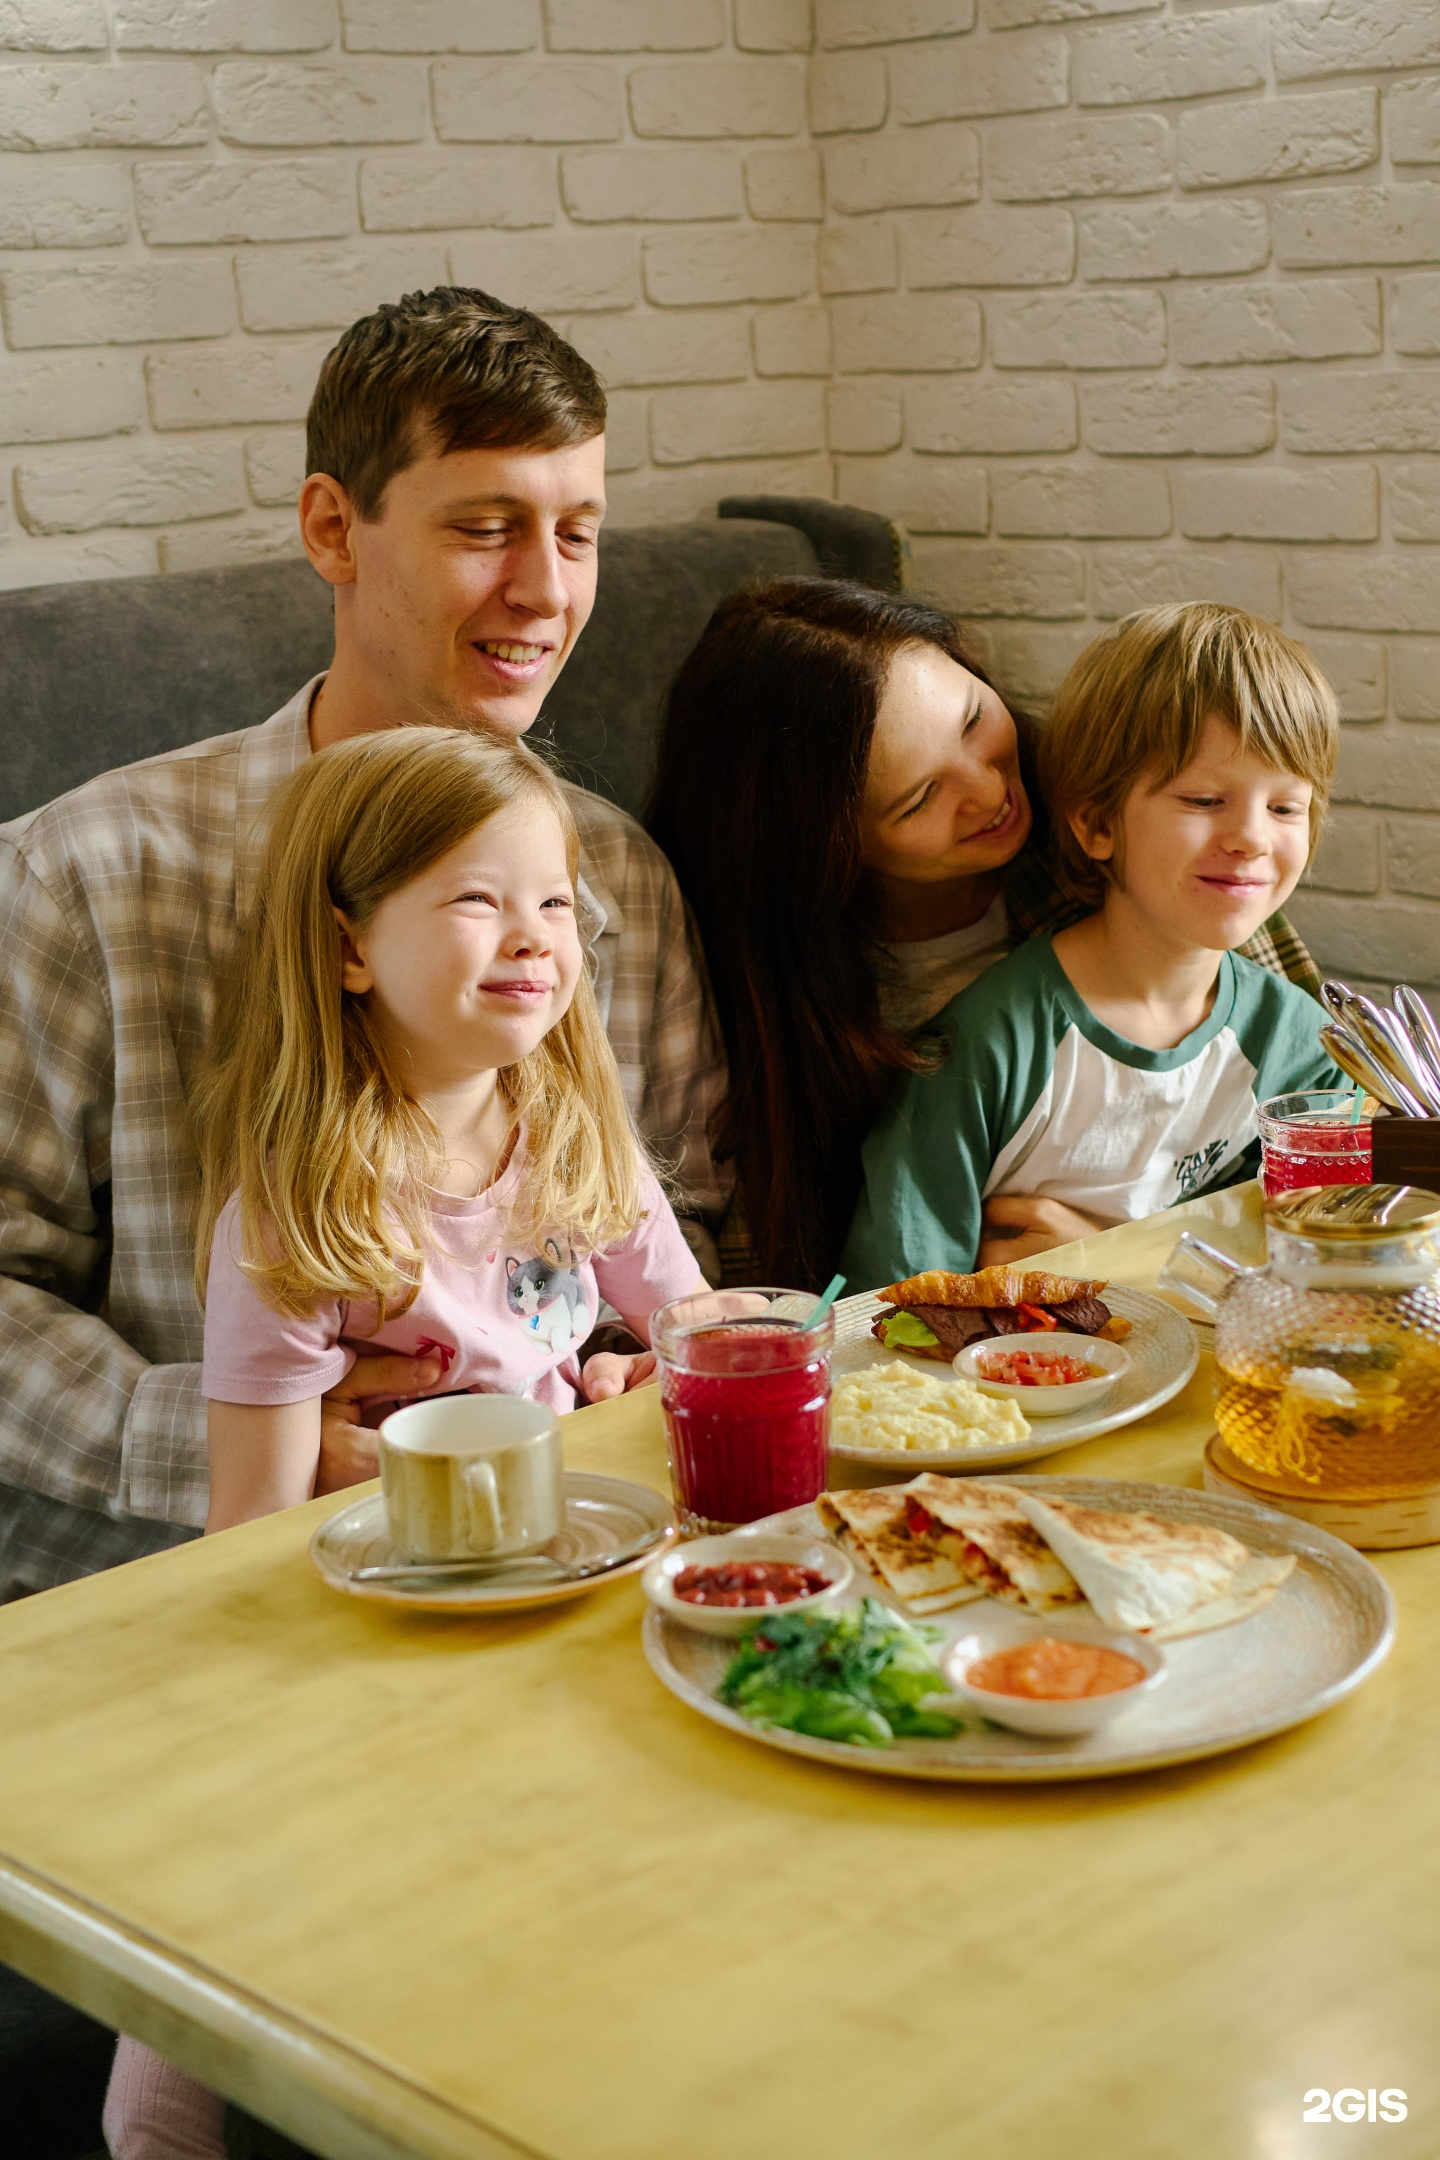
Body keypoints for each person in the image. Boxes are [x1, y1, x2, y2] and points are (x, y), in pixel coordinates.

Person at [0, 286, 725, 1603]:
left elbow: (684, 1229)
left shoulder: (615, 875)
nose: (546, 591)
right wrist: (243, 1431)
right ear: (333, 528)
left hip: (546, 1550)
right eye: (486, 529)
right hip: (169, 1582)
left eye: (577, 533)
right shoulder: (85, 874)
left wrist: (622, 1367)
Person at [104, 725, 704, 2160]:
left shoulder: (575, 1133)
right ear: (350, 948)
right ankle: (158, 2116)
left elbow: (690, 1331)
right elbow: (248, 1534)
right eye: (477, 899)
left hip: (566, 1572)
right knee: (234, 1830)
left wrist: (639, 1378)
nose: (535, 936)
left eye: (553, 901)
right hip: (389, 1602)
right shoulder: (300, 1208)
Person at [648, 579, 1321, 1292]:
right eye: (920, 798)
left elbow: (1314, 1161)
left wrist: (1115, 1256)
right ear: (830, 852)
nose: (990, 789)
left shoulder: (1165, 855)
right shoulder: (796, 1008)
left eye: (973, 721)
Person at [842, 604, 1346, 1288]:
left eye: (1285, 807)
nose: (1252, 838)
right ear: (1097, 825)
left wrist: (1113, 1261)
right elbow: (895, 1304)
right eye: (1203, 800)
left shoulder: (1306, 1049)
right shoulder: (986, 1049)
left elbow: (1329, 1269)